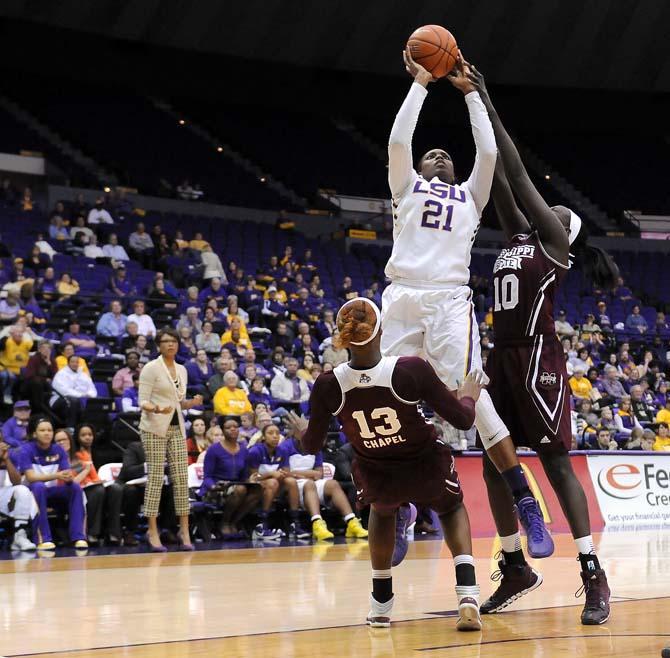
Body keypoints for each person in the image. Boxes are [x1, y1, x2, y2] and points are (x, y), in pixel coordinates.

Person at [380, 49, 551, 557]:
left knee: (471, 401)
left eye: (445, 155)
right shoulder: (405, 187)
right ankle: (405, 503)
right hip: (402, 298)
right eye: (430, 153)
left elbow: (489, 156)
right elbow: (397, 140)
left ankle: (526, 503)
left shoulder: (471, 198)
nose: (438, 155)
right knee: (391, 400)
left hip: (449, 301)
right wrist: (419, 86)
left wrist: (473, 95)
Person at [468, 63, 616, 625]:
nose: (552, 208)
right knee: (492, 464)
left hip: (537, 360)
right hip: (500, 358)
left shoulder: (552, 244)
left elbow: (519, 175)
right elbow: (501, 181)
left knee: (556, 465)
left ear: (566, 232)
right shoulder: (518, 238)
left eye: (561, 212)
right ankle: (514, 563)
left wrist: (487, 96)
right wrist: (471, 107)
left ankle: (592, 573)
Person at [286, 298, 483, 630]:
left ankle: (380, 604)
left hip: (376, 469)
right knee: (450, 508)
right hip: (422, 462)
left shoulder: (328, 384)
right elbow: (463, 420)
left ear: (344, 339)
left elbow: (312, 444)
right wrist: (468, 395)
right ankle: (467, 593)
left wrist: (300, 433)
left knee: (382, 509)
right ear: (381, 333)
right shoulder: (409, 369)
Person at [138, 327, 203, 551]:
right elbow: (142, 401)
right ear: (159, 346)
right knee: (155, 478)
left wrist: (191, 404)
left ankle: (184, 529)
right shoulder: (150, 368)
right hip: (154, 428)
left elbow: (178, 402)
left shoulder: (182, 370)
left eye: (173, 341)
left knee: (181, 478)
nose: (170, 345)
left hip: (176, 428)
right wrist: (156, 408)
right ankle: (152, 530)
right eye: (165, 342)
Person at [12, 417, 87, 550]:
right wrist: (57, 475)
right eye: (42, 430)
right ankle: (43, 538)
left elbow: (66, 472)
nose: (47, 433)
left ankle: (78, 537)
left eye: (49, 430)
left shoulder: (58, 449)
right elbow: (31, 477)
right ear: (34, 433)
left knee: (75, 487)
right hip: (31, 493)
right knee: (39, 486)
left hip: (51, 492)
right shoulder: (26, 449)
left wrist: (68, 476)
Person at [197, 419, 262, 539]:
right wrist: (213, 486)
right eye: (228, 427)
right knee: (241, 489)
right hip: (215, 488)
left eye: (236, 427)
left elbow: (243, 477)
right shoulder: (214, 450)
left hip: (236, 486)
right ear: (222, 430)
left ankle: (234, 522)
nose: (233, 429)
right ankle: (224, 523)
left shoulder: (243, 450)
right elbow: (207, 477)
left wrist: (250, 480)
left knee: (258, 489)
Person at [246, 423, 308, 540]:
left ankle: (294, 523)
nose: (275, 436)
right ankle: (261, 525)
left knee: (290, 481)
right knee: (272, 482)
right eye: (270, 433)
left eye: (277, 433)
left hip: (274, 486)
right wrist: (270, 474)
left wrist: (284, 474)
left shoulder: (282, 450)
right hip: (255, 488)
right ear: (263, 437)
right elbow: (252, 478)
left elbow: (285, 472)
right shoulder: (255, 451)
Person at [0, 325, 33, 404]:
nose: (19, 334)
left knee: (29, 378)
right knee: (8, 376)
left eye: (21, 332)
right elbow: (1, 346)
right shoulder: (7, 340)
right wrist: (7, 335)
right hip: (5, 368)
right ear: (12, 333)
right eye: (17, 332)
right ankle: (6, 394)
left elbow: (34, 348)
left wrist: (31, 334)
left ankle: (22, 398)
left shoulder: (26, 342)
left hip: (21, 369)